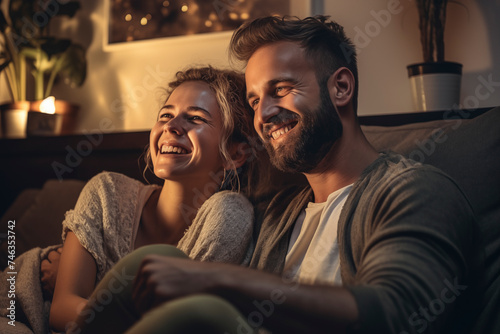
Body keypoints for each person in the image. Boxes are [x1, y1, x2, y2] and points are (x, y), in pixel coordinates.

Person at [74, 16, 482, 334]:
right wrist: (67, 259)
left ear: (341, 88)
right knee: (152, 259)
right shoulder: (276, 212)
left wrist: (218, 281)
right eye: (254, 100)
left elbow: (394, 314)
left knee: (203, 312)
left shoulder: (414, 190)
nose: (263, 115)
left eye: (282, 89)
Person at [48, 66, 262, 332]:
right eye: (165, 115)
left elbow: (178, 322)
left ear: (235, 155)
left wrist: (96, 300)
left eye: (195, 118)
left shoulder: (230, 215)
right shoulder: (106, 192)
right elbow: (59, 309)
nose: (171, 127)